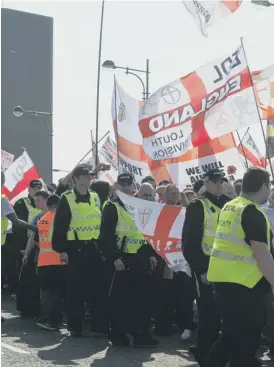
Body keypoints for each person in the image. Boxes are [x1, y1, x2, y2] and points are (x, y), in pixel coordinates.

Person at [206, 167, 274, 367]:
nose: (269, 191)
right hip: (245, 285)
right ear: (263, 186)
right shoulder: (252, 212)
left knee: (230, 337)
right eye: (269, 186)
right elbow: (262, 253)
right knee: (246, 338)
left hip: (225, 281)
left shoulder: (231, 206)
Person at [99, 173, 158, 347]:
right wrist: (114, 258)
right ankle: (118, 334)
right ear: (117, 186)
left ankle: (141, 334)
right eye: (122, 184)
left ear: (134, 187)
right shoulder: (112, 207)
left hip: (139, 257)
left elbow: (146, 235)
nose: (126, 187)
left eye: (129, 184)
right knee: (120, 301)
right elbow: (105, 237)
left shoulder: (140, 207)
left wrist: (150, 255)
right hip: (121, 259)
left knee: (142, 299)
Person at [182, 169, 231, 366]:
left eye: (221, 181)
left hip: (229, 268)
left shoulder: (229, 204)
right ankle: (205, 356)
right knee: (208, 314)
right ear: (206, 182)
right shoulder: (197, 206)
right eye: (215, 181)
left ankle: (222, 355)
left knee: (228, 314)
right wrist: (201, 269)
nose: (219, 185)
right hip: (207, 269)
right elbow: (189, 243)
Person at [52, 164, 102, 337]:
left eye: (90, 175)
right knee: (75, 290)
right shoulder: (67, 198)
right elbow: (59, 226)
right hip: (75, 249)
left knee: (96, 287)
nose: (90, 178)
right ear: (77, 178)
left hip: (93, 248)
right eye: (86, 175)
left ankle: (98, 325)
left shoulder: (95, 197)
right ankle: (75, 325)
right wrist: (61, 250)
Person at [34, 194, 67, 331]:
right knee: (54, 293)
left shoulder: (42, 219)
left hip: (43, 261)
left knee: (49, 293)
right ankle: (45, 319)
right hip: (57, 260)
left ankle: (55, 321)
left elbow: (37, 240)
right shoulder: (59, 218)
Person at [17, 190, 50, 318]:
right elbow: (32, 237)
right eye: (35, 201)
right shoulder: (37, 217)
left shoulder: (54, 216)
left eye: (39, 200)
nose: (36, 203)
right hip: (37, 253)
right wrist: (26, 254)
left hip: (49, 255)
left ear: (47, 200)